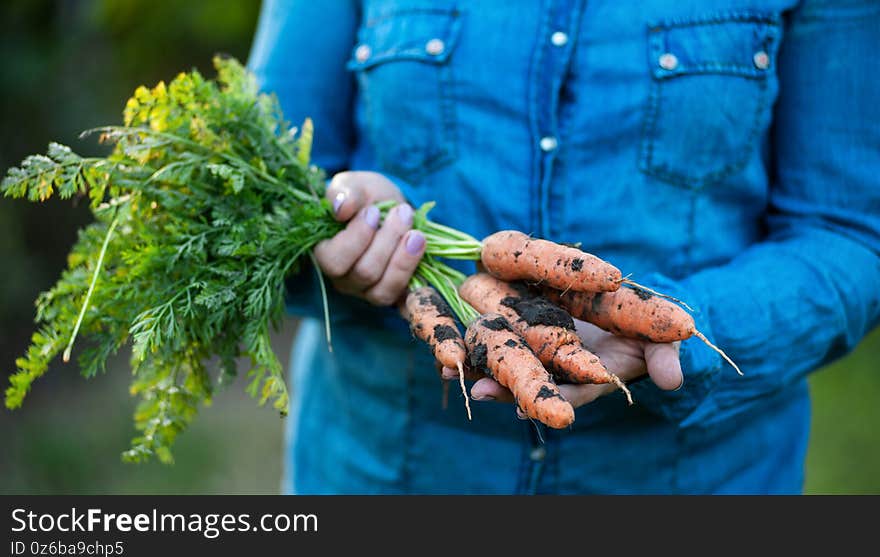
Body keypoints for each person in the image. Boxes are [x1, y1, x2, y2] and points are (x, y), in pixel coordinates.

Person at [246, 0, 880, 494]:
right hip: (386, 471)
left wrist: (681, 321)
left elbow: (848, 232)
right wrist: (345, 231)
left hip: (696, 482)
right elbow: (263, 179)